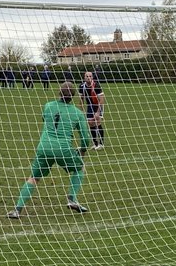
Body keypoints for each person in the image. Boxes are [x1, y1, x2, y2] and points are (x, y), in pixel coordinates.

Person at [7, 81, 91, 218]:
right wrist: (82, 151)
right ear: (74, 96)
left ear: (59, 92)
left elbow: (45, 119)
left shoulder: (48, 106)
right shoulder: (78, 113)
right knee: (79, 168)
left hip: (44, 147)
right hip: (63, 149)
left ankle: (17, 210)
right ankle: (71, 199)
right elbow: (86, 139)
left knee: (33, 178)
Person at [79, 70, 105, 149]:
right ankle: (95, 143)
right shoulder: (81, 86)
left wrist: (98, 112)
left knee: (97, 122)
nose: (88, 78)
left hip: (98, 105)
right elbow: (81, 100)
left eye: (90, 76)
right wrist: (82, 110)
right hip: (89, 106)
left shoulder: (96, 85)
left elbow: (101, 100)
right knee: (90, 123)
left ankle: (101, 144)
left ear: (92, 77)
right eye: (87, 76)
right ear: (84, 77)